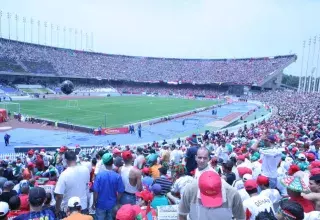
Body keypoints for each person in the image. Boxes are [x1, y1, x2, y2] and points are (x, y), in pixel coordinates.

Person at [178, 171, 245, 220]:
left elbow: (241, 217)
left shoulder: (233, 194)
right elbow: (182, 215)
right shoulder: (190, 190)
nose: (210, 205)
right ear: (199, 188)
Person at [54, 151, 90, 216]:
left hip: (69, 209)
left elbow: (59, 195)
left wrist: (57, 209)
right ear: (76, 158)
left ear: (66, 160)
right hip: (83, 206)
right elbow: (86, 186)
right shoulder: (86, 170)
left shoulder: (64, 174)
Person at [92, 153, 125, 220]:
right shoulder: (117, 176)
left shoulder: (99, 176)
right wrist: (117, 200)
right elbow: (121, 191)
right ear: (112, 162)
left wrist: (94, 203)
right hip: (112, 204)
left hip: (100, 204)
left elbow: (96, 191)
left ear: (103, 163)